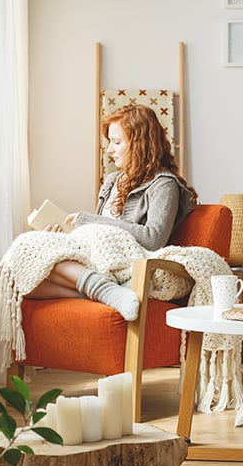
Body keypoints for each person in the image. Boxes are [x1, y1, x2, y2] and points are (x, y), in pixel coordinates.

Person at [25, 104, 198, 320]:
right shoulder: (112, 181)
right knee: (23, 278)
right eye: (110, 143)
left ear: (140, 144)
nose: (109, 150)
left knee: (31, 259)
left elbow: (154, 239)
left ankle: (103, 289)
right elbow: (97, 235)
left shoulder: (163, 184)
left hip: (123, 262)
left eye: (116, 142)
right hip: (96, 256)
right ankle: (107, 293)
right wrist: (64, 236)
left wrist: (90, 221)